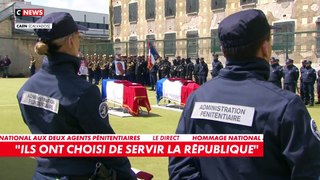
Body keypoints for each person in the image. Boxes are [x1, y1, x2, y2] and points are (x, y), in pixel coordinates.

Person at [169, 9, 320, 180]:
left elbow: (180, 166)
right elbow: (310, 172)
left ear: (224, 51)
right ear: (265, 48)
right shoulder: (285, 106)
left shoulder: (198, 97)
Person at [16, 12, 136, 180]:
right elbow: (107, 147)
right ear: (71, 41)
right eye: (79, 36)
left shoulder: (25, 89)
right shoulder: (84, 92)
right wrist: (127, 175)